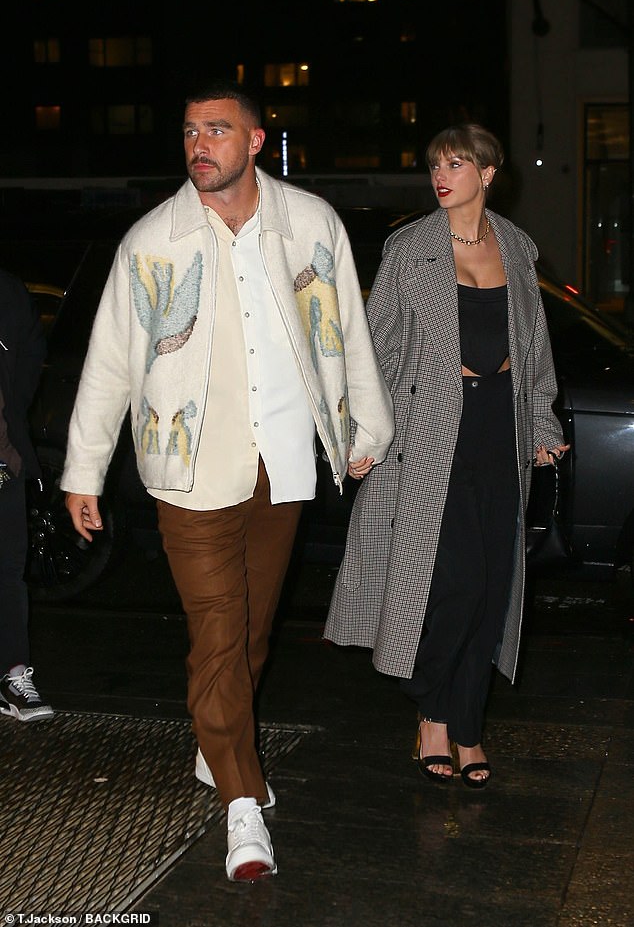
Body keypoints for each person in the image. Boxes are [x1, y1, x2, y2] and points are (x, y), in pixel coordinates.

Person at [62, 79, 394, 881]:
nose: (198, 144)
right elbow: (109, 363)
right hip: (188, 468)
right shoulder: (153, 239)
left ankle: (216, 744)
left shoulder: (309, 222)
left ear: (254, 140)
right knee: (217, 632)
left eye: (215, 130)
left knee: (250, 632)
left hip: (281, 464)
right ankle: (243, 807)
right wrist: (84, 470)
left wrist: (366, 424)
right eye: (188, 131)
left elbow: (345, 328)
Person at [324, 123, 569, 789]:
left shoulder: (516, 246)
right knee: (457, 581)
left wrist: (540, 419)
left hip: (500, 426)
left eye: (456, 164)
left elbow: (535, 348)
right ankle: (433, 713)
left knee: (493, 583)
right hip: (431, 429)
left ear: (487, 174)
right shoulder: (410, 248)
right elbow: (374, 352)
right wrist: (361, 435)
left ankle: (467, 725)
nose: (441, 175)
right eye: (436, 164)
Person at [0, 269, 54, 723]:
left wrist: (13, 415)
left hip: (4, 460)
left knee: (8, 570)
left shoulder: (8, 292)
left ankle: (13, 673)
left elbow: (33, 352)